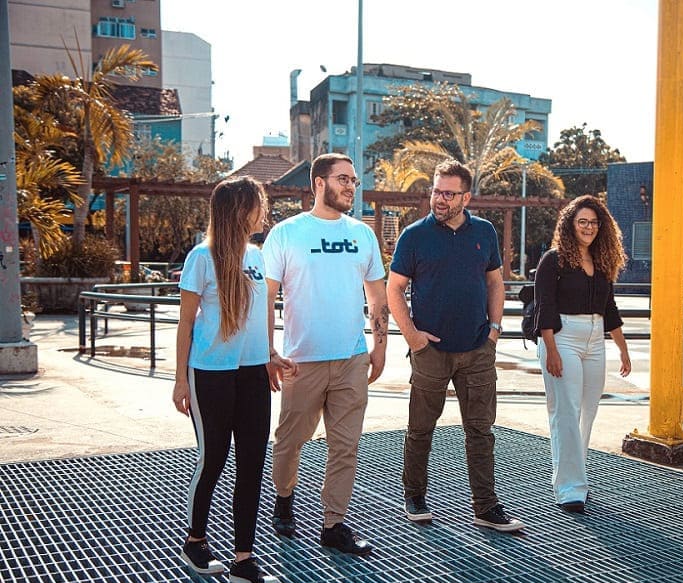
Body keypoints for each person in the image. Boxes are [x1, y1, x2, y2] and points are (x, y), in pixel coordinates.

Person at [386, 159, 524, 532]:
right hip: (430, 352)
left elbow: (495, 282)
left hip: (478, 349)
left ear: (466, 196)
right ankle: (414, 495)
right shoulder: (414, 236)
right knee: (420, 429)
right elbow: (393, 288)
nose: (439, 199)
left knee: (480, 431)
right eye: (435, 191)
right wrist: (413, 337)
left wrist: (494, 331)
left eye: (448, 193)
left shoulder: (484, 232)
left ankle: (486, 506)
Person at [263, 153, 389, 556]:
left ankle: (333, 524)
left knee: (345, 445)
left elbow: (377, 297)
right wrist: (268, 350)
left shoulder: (363, 235)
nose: (351, 186)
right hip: (301, 360)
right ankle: (284, 501)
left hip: (352, 358)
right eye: (342, 179)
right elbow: (265, 296)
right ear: (318, 183)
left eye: (353, 179)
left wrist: (380, 347)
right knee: (290, 440)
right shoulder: (286, 233)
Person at [173, 177, 289, 583]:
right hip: (210, 374)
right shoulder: (201, 258)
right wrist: (180, 380)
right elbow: (186, 323)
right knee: (214, 459)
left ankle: (244, 559)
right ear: (240, 210)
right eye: (259, 204)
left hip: (254, 373)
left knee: (253, 464)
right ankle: (195, 541)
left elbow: (260, 316)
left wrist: (271, 356)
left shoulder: (257, 256)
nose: (264, 211)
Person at [532, 195, 631, 514]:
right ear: (570, 225)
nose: (589, 227)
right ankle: (569, 488)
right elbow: (545, 306)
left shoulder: (603, 262)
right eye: (582, 222)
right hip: (563, 338)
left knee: (587, 411)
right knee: (565, 412)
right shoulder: (554, 259)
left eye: (594, 222)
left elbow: (609, 308)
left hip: (595, 340)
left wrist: (622, 348)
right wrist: (551, 350)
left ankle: (577, 476)